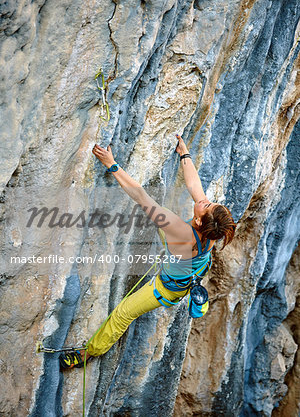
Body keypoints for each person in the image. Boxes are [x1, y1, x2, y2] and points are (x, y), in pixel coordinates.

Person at [59, 135, 236, 369]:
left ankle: (89, 353)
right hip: (187, 267)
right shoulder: (213, 232)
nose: (205, 201)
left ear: (198, 220)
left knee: (124, 312)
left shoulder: (179, 230)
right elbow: (196, 189)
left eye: (207, 206)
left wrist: (111, 164)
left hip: (166, 287)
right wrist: (184, 154)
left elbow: (141, 197)